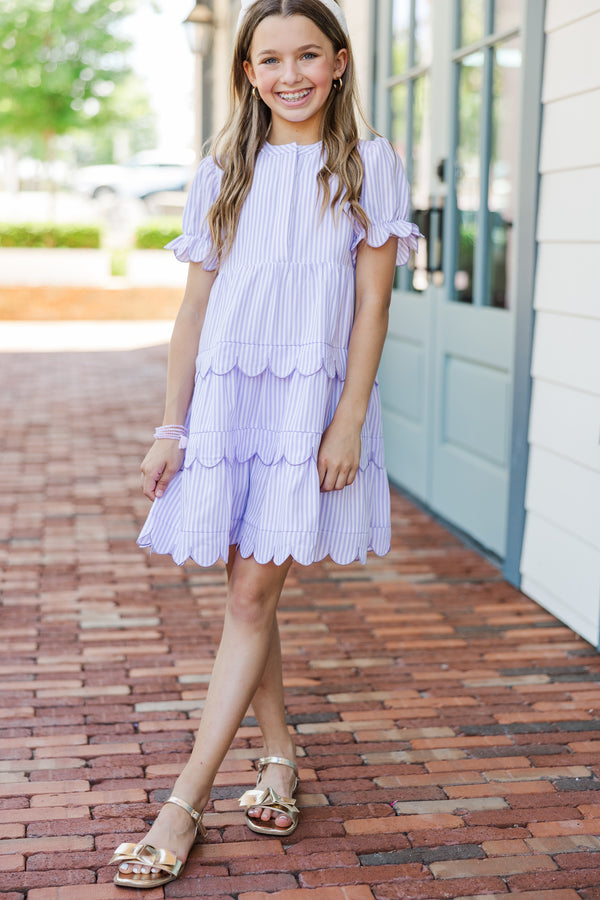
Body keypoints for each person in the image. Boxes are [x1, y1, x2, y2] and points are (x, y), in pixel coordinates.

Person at [110, 0, 419, 889]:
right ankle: (278, 755)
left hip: (309, 406)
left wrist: (350, 416)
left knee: (250, 596)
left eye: (308, 56)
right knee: (252, 582)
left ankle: (183, 803)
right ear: (248, 71)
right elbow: (194, 308)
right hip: (229, 399)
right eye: (271, 60)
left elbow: (372, 303)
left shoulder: (369, 164)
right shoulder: (224, 168)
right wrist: (173, 426)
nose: (291, 75)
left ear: (341, 61)